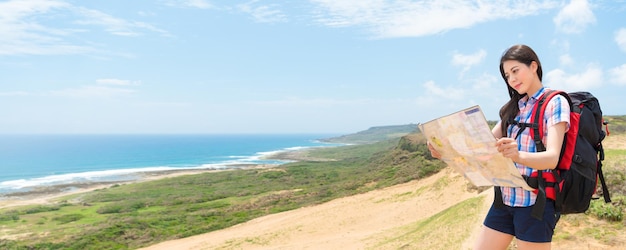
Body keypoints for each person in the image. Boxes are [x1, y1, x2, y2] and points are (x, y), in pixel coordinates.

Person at [428, 44, 570, 250]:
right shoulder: (513, 108)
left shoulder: (555, 102)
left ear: (533, 66)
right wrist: (445, 151)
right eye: (507, 76)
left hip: (534, 204)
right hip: (503, 201)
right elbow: (482, 149)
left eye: (515, 71)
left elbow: (552, 158)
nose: (512, 80)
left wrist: (517, 155)